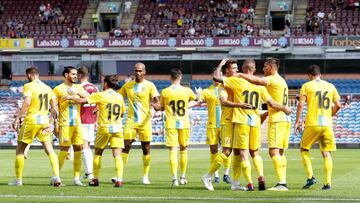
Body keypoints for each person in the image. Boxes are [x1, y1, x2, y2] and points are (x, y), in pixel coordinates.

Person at [235, 57, 292, 191]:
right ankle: (283, 181)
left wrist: (240, 75)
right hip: (284, 118)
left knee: (273, 151)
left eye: (265, 67)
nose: (263, 69)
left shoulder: (272, 79)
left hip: (278, 118)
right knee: (281, 153)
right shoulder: (282, 81)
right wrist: (266, 114)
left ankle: (281, 183)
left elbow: (259, 81)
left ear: (272, 67)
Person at [201, 59, 254, 191]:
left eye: (237, 68)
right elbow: (223, 102)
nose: (237, 70)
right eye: (234, 68)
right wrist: (220, 64)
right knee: (226, 151)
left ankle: (235, 183)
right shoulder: (223, 85)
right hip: (227, 122)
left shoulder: (236, 82)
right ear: (227, 71)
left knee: (237, 152)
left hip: (237, 121)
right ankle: (207, 176)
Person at [70, 75, 126, 187]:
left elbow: (82, 100)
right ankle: (119, 179)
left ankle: (95, 179)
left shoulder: (100, 95)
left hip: (104, 128)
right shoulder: (119, 97)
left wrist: (69, 97)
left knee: (98, 153)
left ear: (105, 84)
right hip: (117, 128)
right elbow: (122, 113)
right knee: (117, 155)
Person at [9, 66, 61, 187]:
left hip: (31, 121)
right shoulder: (48, 88)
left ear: (29, 75)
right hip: (44, 122)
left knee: (20, 150)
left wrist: (17, 119)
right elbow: (54, 108)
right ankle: (57, 177)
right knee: (50, 150)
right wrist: (51, 122)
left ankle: (18, 180)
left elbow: (27, 103)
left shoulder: (28, 86)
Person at [295, 65, 341, 190]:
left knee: (304, 150)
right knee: (326, 153)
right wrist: (330, 114)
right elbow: (338, 105)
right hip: (327, 125)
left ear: (310, 75)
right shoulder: (330, 86)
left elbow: (300, 105)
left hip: (312, 123)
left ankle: (311, 177)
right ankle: (327, 183)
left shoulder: (307, 86)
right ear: (319, 74)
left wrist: (297, 121)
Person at [118, 63, 160, 185]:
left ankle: (145, 176)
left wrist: (156, 105)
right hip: (131, 121)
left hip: (145, 121)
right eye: (136, 70)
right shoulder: (127, 85)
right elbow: (118, 98)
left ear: (144, 72)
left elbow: (157, 100)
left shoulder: (150, 85)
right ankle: (119, 175)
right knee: (125, 146)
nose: (137, 73)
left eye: (140, 71)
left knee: (146, 148)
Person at [160, 68, 196, 186]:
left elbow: (161, 107)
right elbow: (197, 100)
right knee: (184, 149)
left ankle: (174, 179)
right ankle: (183, 177)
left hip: (171, 123)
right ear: (180, 77)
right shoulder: (187, 91)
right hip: (184, 123)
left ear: (170, 77)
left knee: (173, 150)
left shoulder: (165, 91)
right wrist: (187, 105)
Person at [53, 66, 88, 186]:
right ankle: (56, 176)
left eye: (76, 74)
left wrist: (72, 96)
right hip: (65, 124)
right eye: (73, 74)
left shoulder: (78, 87)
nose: (75, 76)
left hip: (77, 124)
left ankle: (76, 178)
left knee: (79, 148)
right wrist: (55, 123)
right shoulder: (58, 89)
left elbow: (88, 98)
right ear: (66, 75)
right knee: (64, 151)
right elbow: (53, 107)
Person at [78, 66, 98, 180]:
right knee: (88, 146)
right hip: (91, 119)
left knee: (84, 146)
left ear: (80, 75)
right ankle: (89, 171)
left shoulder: (79, 88)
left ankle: (90, 172)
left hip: (81, 119)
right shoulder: (95, 87)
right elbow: (98, 104)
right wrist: (96, 120)